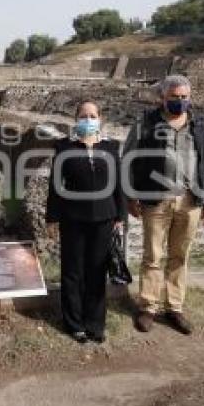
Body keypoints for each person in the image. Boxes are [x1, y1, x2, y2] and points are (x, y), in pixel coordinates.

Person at [123, 75, 204, 335]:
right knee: (152, 255)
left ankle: (174, 307)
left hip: (190, 200)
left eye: (184, 97)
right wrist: (130, 196)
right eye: (174, 97)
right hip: (156, 199)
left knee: (180, 256)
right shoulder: (146, 123)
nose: (180, 101)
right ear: (162, 98)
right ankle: (148, 307)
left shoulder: (199, 126)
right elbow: (127, 159)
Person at [46, 100, 126, 344]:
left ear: (100, 118)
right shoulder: (64, 147)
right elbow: (56, 186)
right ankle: (74, 323)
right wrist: (52, 219)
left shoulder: (111, 148)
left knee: (96, 271)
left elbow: (118, 185)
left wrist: (120, 217)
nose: (88, 119)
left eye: (92, 115)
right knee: (73, 272)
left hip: (104, 218)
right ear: (76, 119)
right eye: (83, 115)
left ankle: (95, 323)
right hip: (73, 219)